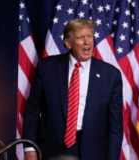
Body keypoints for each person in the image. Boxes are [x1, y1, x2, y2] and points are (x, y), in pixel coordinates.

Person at [23, 19, 123, 160]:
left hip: (93, 151)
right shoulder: (46, 67)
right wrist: (29, 147)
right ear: (68, 43)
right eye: (81, 38)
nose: (87, 42)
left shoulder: (111, 75)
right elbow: (32, 110)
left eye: (90, 36)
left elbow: (116, 125)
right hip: (51, 149)